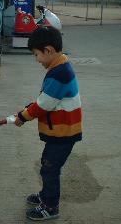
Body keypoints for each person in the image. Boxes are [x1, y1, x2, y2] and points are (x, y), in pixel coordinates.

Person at [13, 27, 83, 221]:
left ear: (49, 50)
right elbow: (47, 98)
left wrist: (23, 116)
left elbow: (44, 104)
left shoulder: (59, 73)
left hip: (63, 133)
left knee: (49, 169)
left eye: (36, 54)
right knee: (48, 164)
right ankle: (46, 196)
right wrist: (30, 107)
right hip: (61, 131)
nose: (36, 59)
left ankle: (51, 207)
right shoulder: (59, 67)